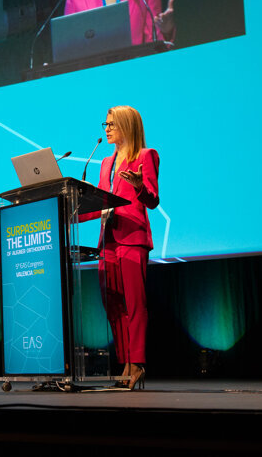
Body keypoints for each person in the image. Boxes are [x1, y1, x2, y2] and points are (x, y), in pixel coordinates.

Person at [90, 105, 159, 390]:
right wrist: (67, 207)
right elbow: (99, 202)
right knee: (113, 304)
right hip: (107, 240)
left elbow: (152, 200)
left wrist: (140, 185)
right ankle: (124, 363)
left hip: (132, 238)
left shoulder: (146, 156)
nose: (106, 129)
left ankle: (137, 363)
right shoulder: (106, 162)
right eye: (104, 124)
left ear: (126, 126)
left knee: (134, 303)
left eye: (111, 125)